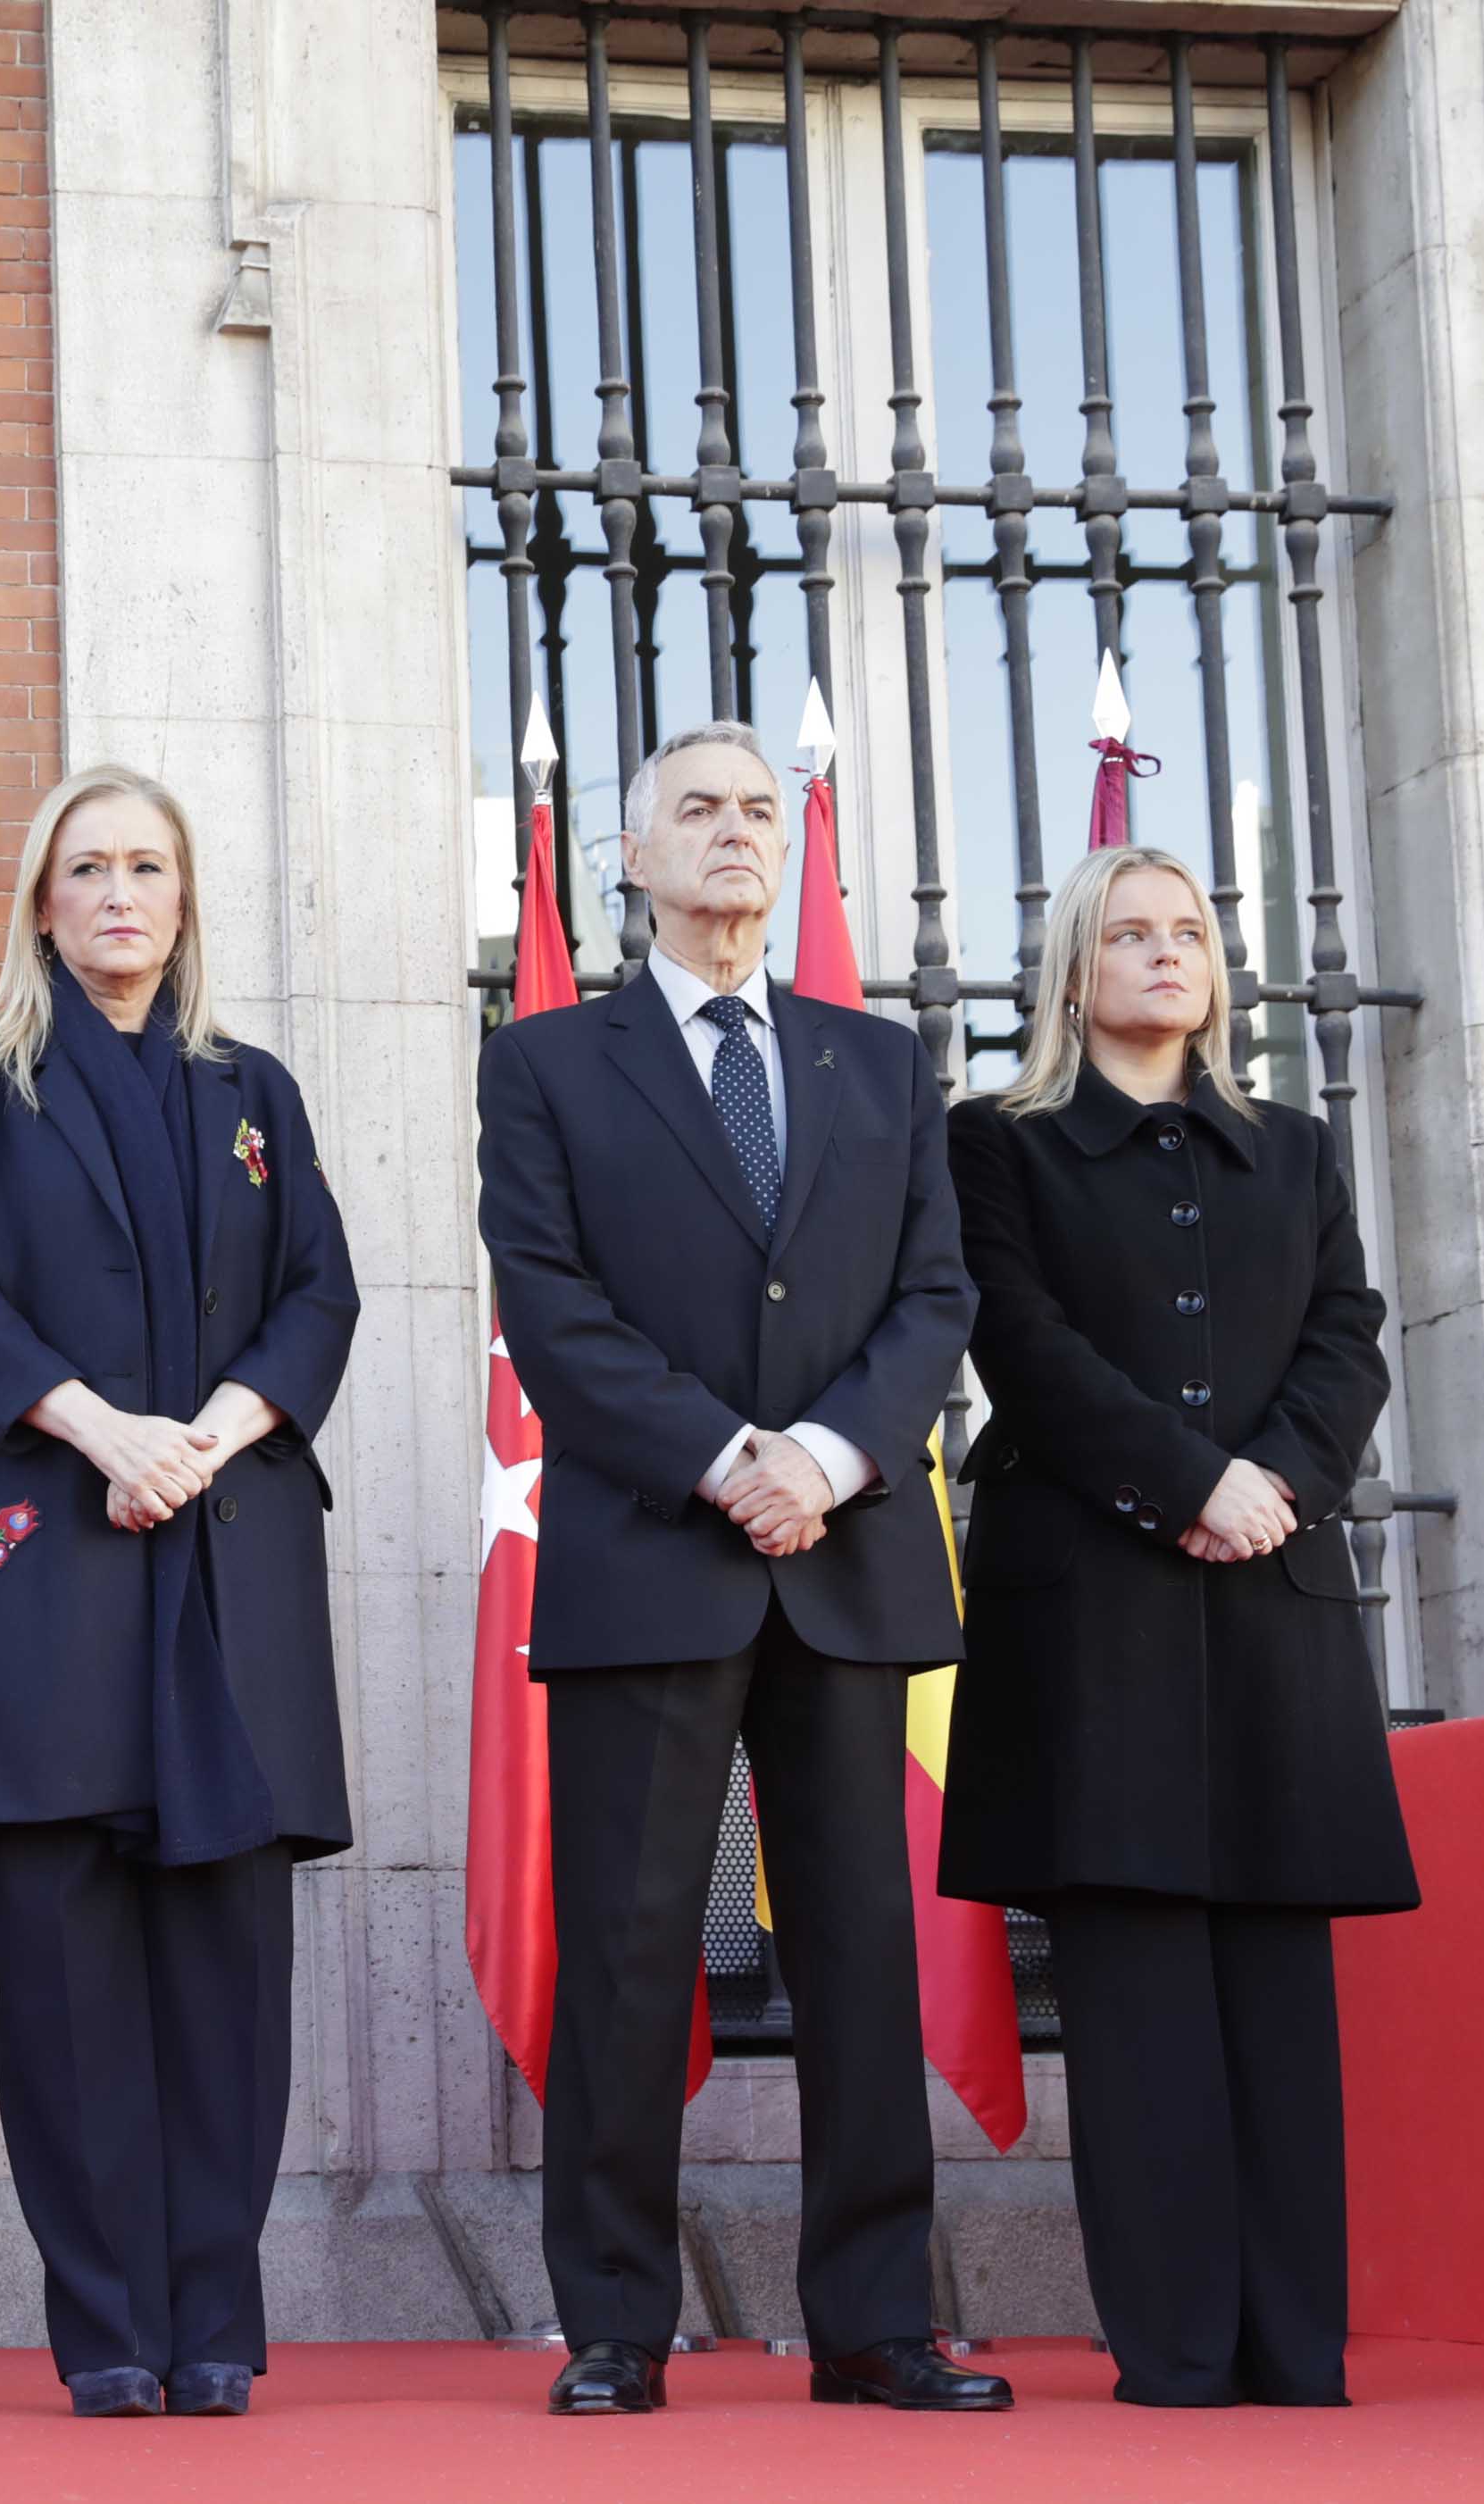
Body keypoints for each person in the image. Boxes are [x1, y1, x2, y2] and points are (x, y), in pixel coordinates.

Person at [474, 720, 1008, 2418]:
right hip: (651, 1553)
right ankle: (615, 2326)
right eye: (696, 810)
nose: (734, 833)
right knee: (630, 1954)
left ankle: (875, 2324)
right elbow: (550, 1305)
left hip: (846, 1560)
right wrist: (725, 1461)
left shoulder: (882, 1065)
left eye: (759, 811)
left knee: (859, 1951)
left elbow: (935, 1294)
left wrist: (828, 1461)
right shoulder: (548, 1064)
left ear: (790, 852)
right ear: (631, 859)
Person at [0, 764, 358, 2420]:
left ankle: (214, 2322)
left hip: (226, 1551)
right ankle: (103, 2329)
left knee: (228, 1967)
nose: (117, 895)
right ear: (42, 903)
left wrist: (208, 1438)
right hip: (51, 1550)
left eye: (146, 868)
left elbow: (320, 1292)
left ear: (183, 898)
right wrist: (103, 1432)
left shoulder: (254, 1087)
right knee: (67, 1969)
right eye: (86, 869)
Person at [938, 844, 1417, 2408]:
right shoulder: (996, 1145)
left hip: (1273, 1597)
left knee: (1279, 1995)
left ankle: (1294, 2350)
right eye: (1131, 934)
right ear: (1076, 973)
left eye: (1189, 933)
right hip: (1096, 1614)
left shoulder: (1295, 1146)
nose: (1166, 953)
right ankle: (1181, 2355)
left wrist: (1272, 1482)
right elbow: (1022, 1343)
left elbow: (1349, 1335)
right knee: (1137, 1992)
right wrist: (1188, 1480)